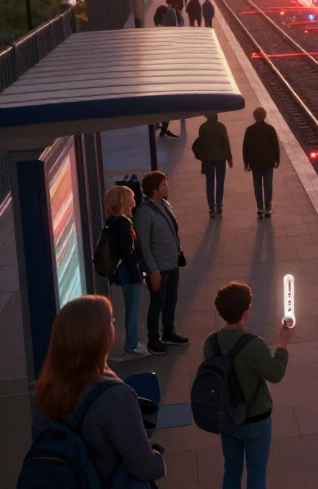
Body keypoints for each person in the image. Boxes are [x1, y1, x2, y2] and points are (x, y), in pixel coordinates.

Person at [32, 296, 166, 485]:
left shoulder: (43, 392)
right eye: (110, 321)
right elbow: (145, 467)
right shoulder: (114, 397)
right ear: (100, 335)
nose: (113, 325)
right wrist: (158, 457)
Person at [208, 282, 291, 489]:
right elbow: (275, 374)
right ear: (246, 311)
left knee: (232, 470)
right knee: (256, 473)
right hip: (256, 418)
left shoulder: (212, 343)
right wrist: (282, 345)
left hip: (228, 417)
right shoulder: (254, 344)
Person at [136, 171, 188, 355]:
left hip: (171, 263)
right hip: (158, 267)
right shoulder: (145, 213)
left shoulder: (164, 204)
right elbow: (145, 245)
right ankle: (153, 338)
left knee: (171, 299)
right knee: (157, 302)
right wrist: (153, 270)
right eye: (164, 185)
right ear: (154, 190)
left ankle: (168, 331)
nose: (167, 187)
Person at [105, 186, 148, 359]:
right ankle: (132, 344)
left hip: (121, 273)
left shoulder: (113, 221)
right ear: (123, 200)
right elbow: (128, 253)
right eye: (131, 196)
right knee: (133, 309)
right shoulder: (123, 223)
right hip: (129, 273)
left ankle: (131, 342)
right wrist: (138, 276)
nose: (135, 198)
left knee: (130, 308)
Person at [241, 108, 280, 219]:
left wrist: (246, 162)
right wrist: (277, 160)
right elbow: (275, 146)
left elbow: (245, 148)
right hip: (268, 162)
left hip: (255, 163)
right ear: (264, 116)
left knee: (257, 186)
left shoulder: (249, 130)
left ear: (254, 117)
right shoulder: (270, 129)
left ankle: (259, 208)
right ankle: (268, 208)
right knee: (268, 185)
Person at [197, 113, 233, 217]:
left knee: (209, 182)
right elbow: (226, 143)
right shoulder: (221, 126)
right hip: (220, 158)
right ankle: (218, 204)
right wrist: (229, 158)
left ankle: (211, 206)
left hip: (207, 159)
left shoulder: (202, 127)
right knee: (220, 182)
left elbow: (201, 144)